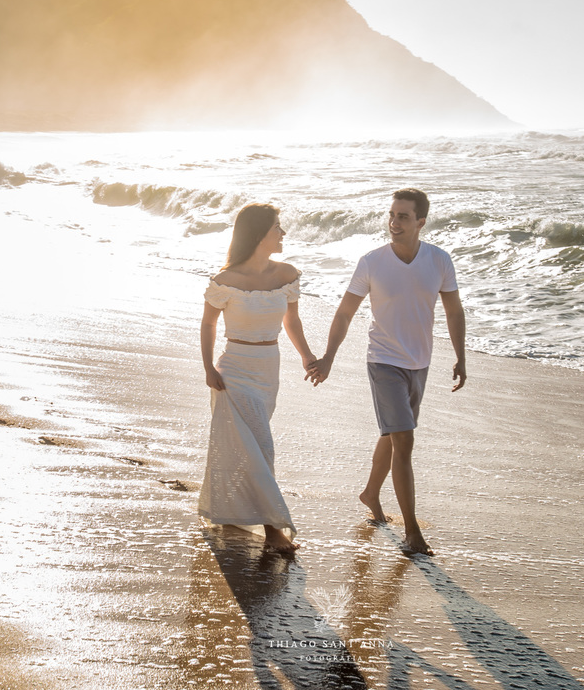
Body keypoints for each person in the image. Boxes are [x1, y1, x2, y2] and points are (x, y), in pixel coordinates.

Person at [307, 189, 466, 556]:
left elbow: (454, 311)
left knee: (394, 434)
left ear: (421, 222)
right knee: (404, 440)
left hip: (420, 362)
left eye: (403, 216)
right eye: (392, 215)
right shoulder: (372, 262)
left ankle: (370, 493)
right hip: (383, 361)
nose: (394, 222)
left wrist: (461, 356)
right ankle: (412, 532)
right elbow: (345, 312)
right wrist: (329, 357)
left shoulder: (439, 260)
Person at [199, 203, 316, 554]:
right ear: (258, 234)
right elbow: (208, 324)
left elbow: (291, 321)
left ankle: (232, 510)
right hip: (234, 371)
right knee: (261, 447)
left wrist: (307, 356)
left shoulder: (287, 274)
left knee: (245, 447)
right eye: (277, 227)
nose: (283, 233)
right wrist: (208, 368)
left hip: (268, 369)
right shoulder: (225, 281)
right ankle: (273, 530)